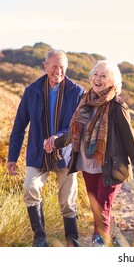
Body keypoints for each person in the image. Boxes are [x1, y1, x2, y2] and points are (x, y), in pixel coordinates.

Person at [51, 60, 134, 247]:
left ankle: (99, 243)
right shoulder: (85, 102)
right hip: (88, 165)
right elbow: (74, 132)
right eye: (95, 74)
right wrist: (55, 143)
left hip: (111, 166)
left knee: (102, 207)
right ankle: (113, 239)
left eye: (103, 76)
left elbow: (130, 141)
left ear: (112, 82)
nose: (98, 79)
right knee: (97, 207)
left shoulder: (117, 106)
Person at [7, 50, 85, 247]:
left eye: (62, 67)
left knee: (68, 202)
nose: (58, 71)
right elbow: (19, 126)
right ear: (45, 66)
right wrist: (12, 157)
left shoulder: (77, 92)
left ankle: (72, 242)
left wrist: (58, 137)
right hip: (37, 153)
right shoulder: (31, 91)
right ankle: (40, 239)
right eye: (54, 66)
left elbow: (78, 127)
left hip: (65, 154)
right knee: (30, 189)